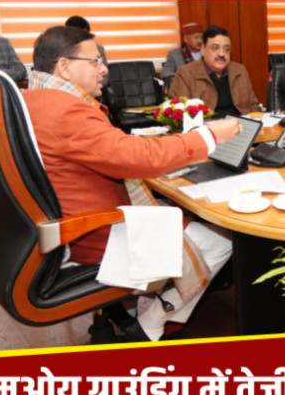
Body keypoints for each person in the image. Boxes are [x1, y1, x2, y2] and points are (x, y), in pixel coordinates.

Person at [22, 26, 241, 341]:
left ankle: (147, 308)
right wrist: (208, 136)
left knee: (176, 210)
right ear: (65, 67)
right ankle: (149, 324)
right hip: (97, 233)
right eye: (95, 61)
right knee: (223, 240)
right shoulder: (66, 109)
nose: (104, 69)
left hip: (67, 227)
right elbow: (139, 157)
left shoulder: (33, 100)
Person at [169, 25, 261, 117]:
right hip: (207, 125)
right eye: (215, 48)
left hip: (241, 123)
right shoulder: (186, 73)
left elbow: (254, 106)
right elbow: (179, 113)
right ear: (203, 50)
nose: (222, 54)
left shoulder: (240, 70)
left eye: (226, 49)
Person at [65, 16, 108, 87]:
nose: (83, 37)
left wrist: (95, 86)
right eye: (79, 34)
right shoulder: (62, 50)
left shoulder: (98, 48)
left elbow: (105, 77)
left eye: (86, 34)